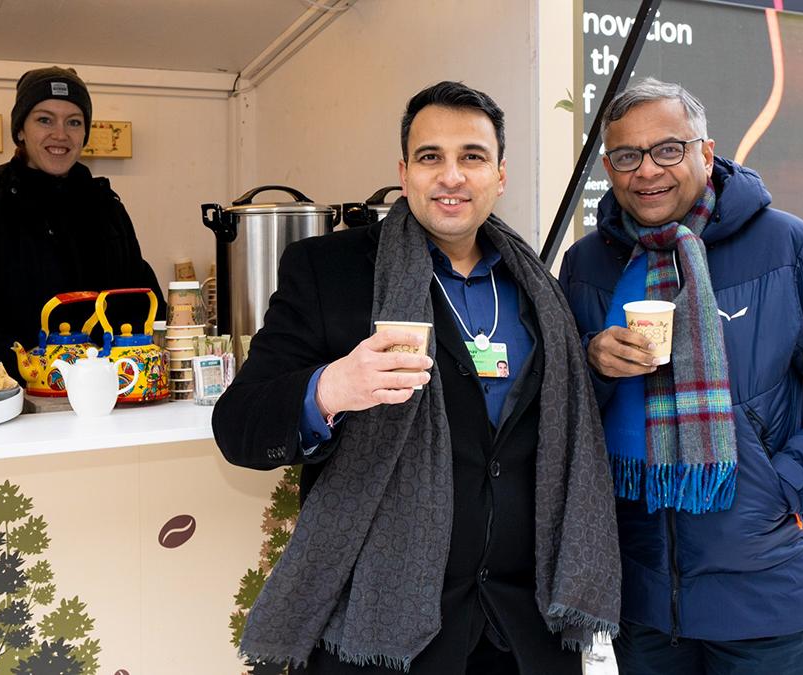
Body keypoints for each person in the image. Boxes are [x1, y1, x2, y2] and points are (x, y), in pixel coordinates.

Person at [213, 81, 620, 675]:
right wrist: (331, 387)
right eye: (432, 157)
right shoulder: (331, 271)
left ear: (500, 176)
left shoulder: (539, 286)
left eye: (472, 157)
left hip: (524, 630)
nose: (451, 176)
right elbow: (238, 424)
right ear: (404, 173)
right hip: (383, 632)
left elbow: (558, 430)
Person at [560, 78, 803, 674]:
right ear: (609, 168)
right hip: (639, 596)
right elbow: (559, 409)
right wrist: (593, 364)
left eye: (668, 149)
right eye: (625, 156)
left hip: (763, 591)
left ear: (706, 152)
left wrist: (784, 483)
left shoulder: (787, 246)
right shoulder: (588, 263)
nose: (647, 171)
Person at [0, 66, 165, 378]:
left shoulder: (107, 210)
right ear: (20, 130)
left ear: (85, 133)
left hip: (107, 394)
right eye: (45, 119)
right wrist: (35, 370)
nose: (60, 134)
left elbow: (143, 303)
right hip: (13, 403)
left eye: (74, 122)